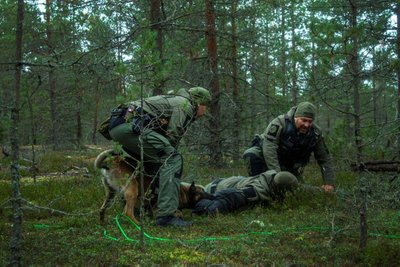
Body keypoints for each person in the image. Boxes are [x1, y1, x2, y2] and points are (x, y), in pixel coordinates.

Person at [108, 87, 211, 227]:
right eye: (206, 107)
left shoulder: (176, 101)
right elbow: (172, 135)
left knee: (155, 163)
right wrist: (171, 160)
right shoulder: (184, 105)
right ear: (199, 104)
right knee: (173, 159)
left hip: (119, 126)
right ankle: (166, 216)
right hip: (131, 127)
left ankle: (140, 207)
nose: (205, 112)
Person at [243, 102, 335, 193]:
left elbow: (324, 158)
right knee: (251, 154)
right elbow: (269, 150)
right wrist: (277, 177)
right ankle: (255, 187)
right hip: (265, 157)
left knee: (299, 191)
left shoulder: (315, 133)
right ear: (296, 117)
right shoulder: (279, 123)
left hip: (287, 165)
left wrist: (329, 183)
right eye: (303, 120)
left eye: (310, 121)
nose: (307, 125)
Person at [193, 170, 298, 215]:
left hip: (228, 182)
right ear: (281, 191)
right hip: (211, 190)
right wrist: (206, 208)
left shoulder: (272, 177)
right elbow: (228, 197)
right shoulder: (255, 191)